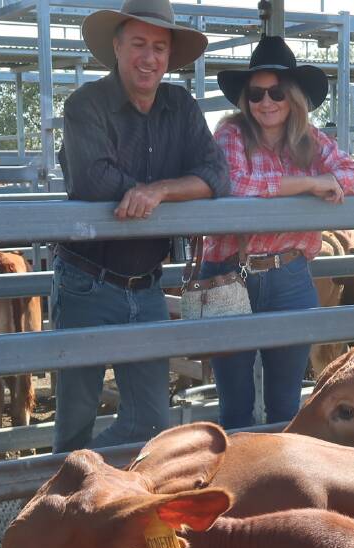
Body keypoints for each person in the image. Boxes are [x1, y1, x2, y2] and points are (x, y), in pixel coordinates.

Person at [52, 0, 228, 451]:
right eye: (137, 44)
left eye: (159, 47)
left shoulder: (181, 106)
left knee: (152, 420)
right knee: (75, 412)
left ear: (169, 56)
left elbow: (216, 175)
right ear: (116, 46)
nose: (148, 57)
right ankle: (62, 508)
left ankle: (102, 489)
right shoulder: (84, 105)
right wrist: (166, 190)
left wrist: (160, 192)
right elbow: (93, 180)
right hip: (85, 282)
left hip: (147, 284)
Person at [207, 36, 354, 429]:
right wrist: (309, 184)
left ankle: (281, 486)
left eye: (276, 92)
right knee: (235, 405)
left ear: (291, 95)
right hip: (230, 273)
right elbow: (235, 185)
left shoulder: (310, 139)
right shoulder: (230, 135)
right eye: (256, 93)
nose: (266, 102)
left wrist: (320, 179)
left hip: (290, 275)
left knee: (286, 404)